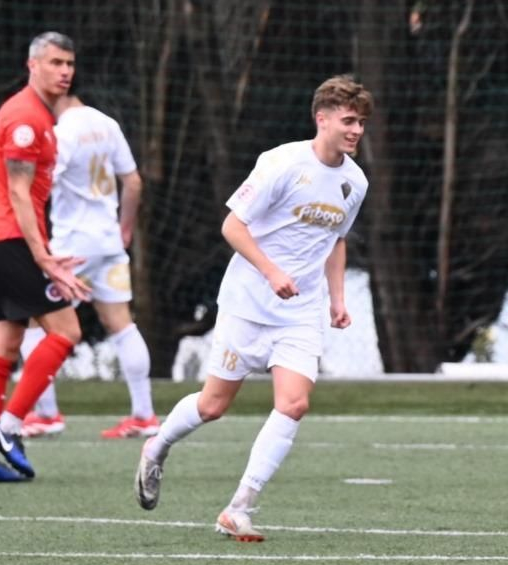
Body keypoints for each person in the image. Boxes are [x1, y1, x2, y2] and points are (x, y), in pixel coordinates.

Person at [135, 75, 371, 540]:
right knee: (212, 405)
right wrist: (271, 271)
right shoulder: (282, 163)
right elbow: (232, 226)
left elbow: (336, 240)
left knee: (295, 404)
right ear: (320, 119)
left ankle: (240, 506)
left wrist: (337, 299)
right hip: (247, 304)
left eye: (362, 122)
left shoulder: (355, 181)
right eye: (348, 120)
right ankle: (156, 446)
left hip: (300, 312)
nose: (357, 130)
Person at [0, 32, 93, 483]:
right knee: (66, 329)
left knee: (1, 348)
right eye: (55, 62)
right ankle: (10, 426)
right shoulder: (26, 118)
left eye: (69, 64)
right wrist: (44, 256)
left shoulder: (31, 114)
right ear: (31, 64)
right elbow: (19, 192)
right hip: (11, 243)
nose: (64, 71)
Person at [10, 92, 154, 439]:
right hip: (107, 242)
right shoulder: (107, 123)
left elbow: (40, 183)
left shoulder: (61, 132)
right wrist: (125, 229)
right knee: (121, 324)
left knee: (34, 322)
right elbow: (133, 181)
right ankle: (144, 415)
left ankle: (46, 414)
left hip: (71, 247)